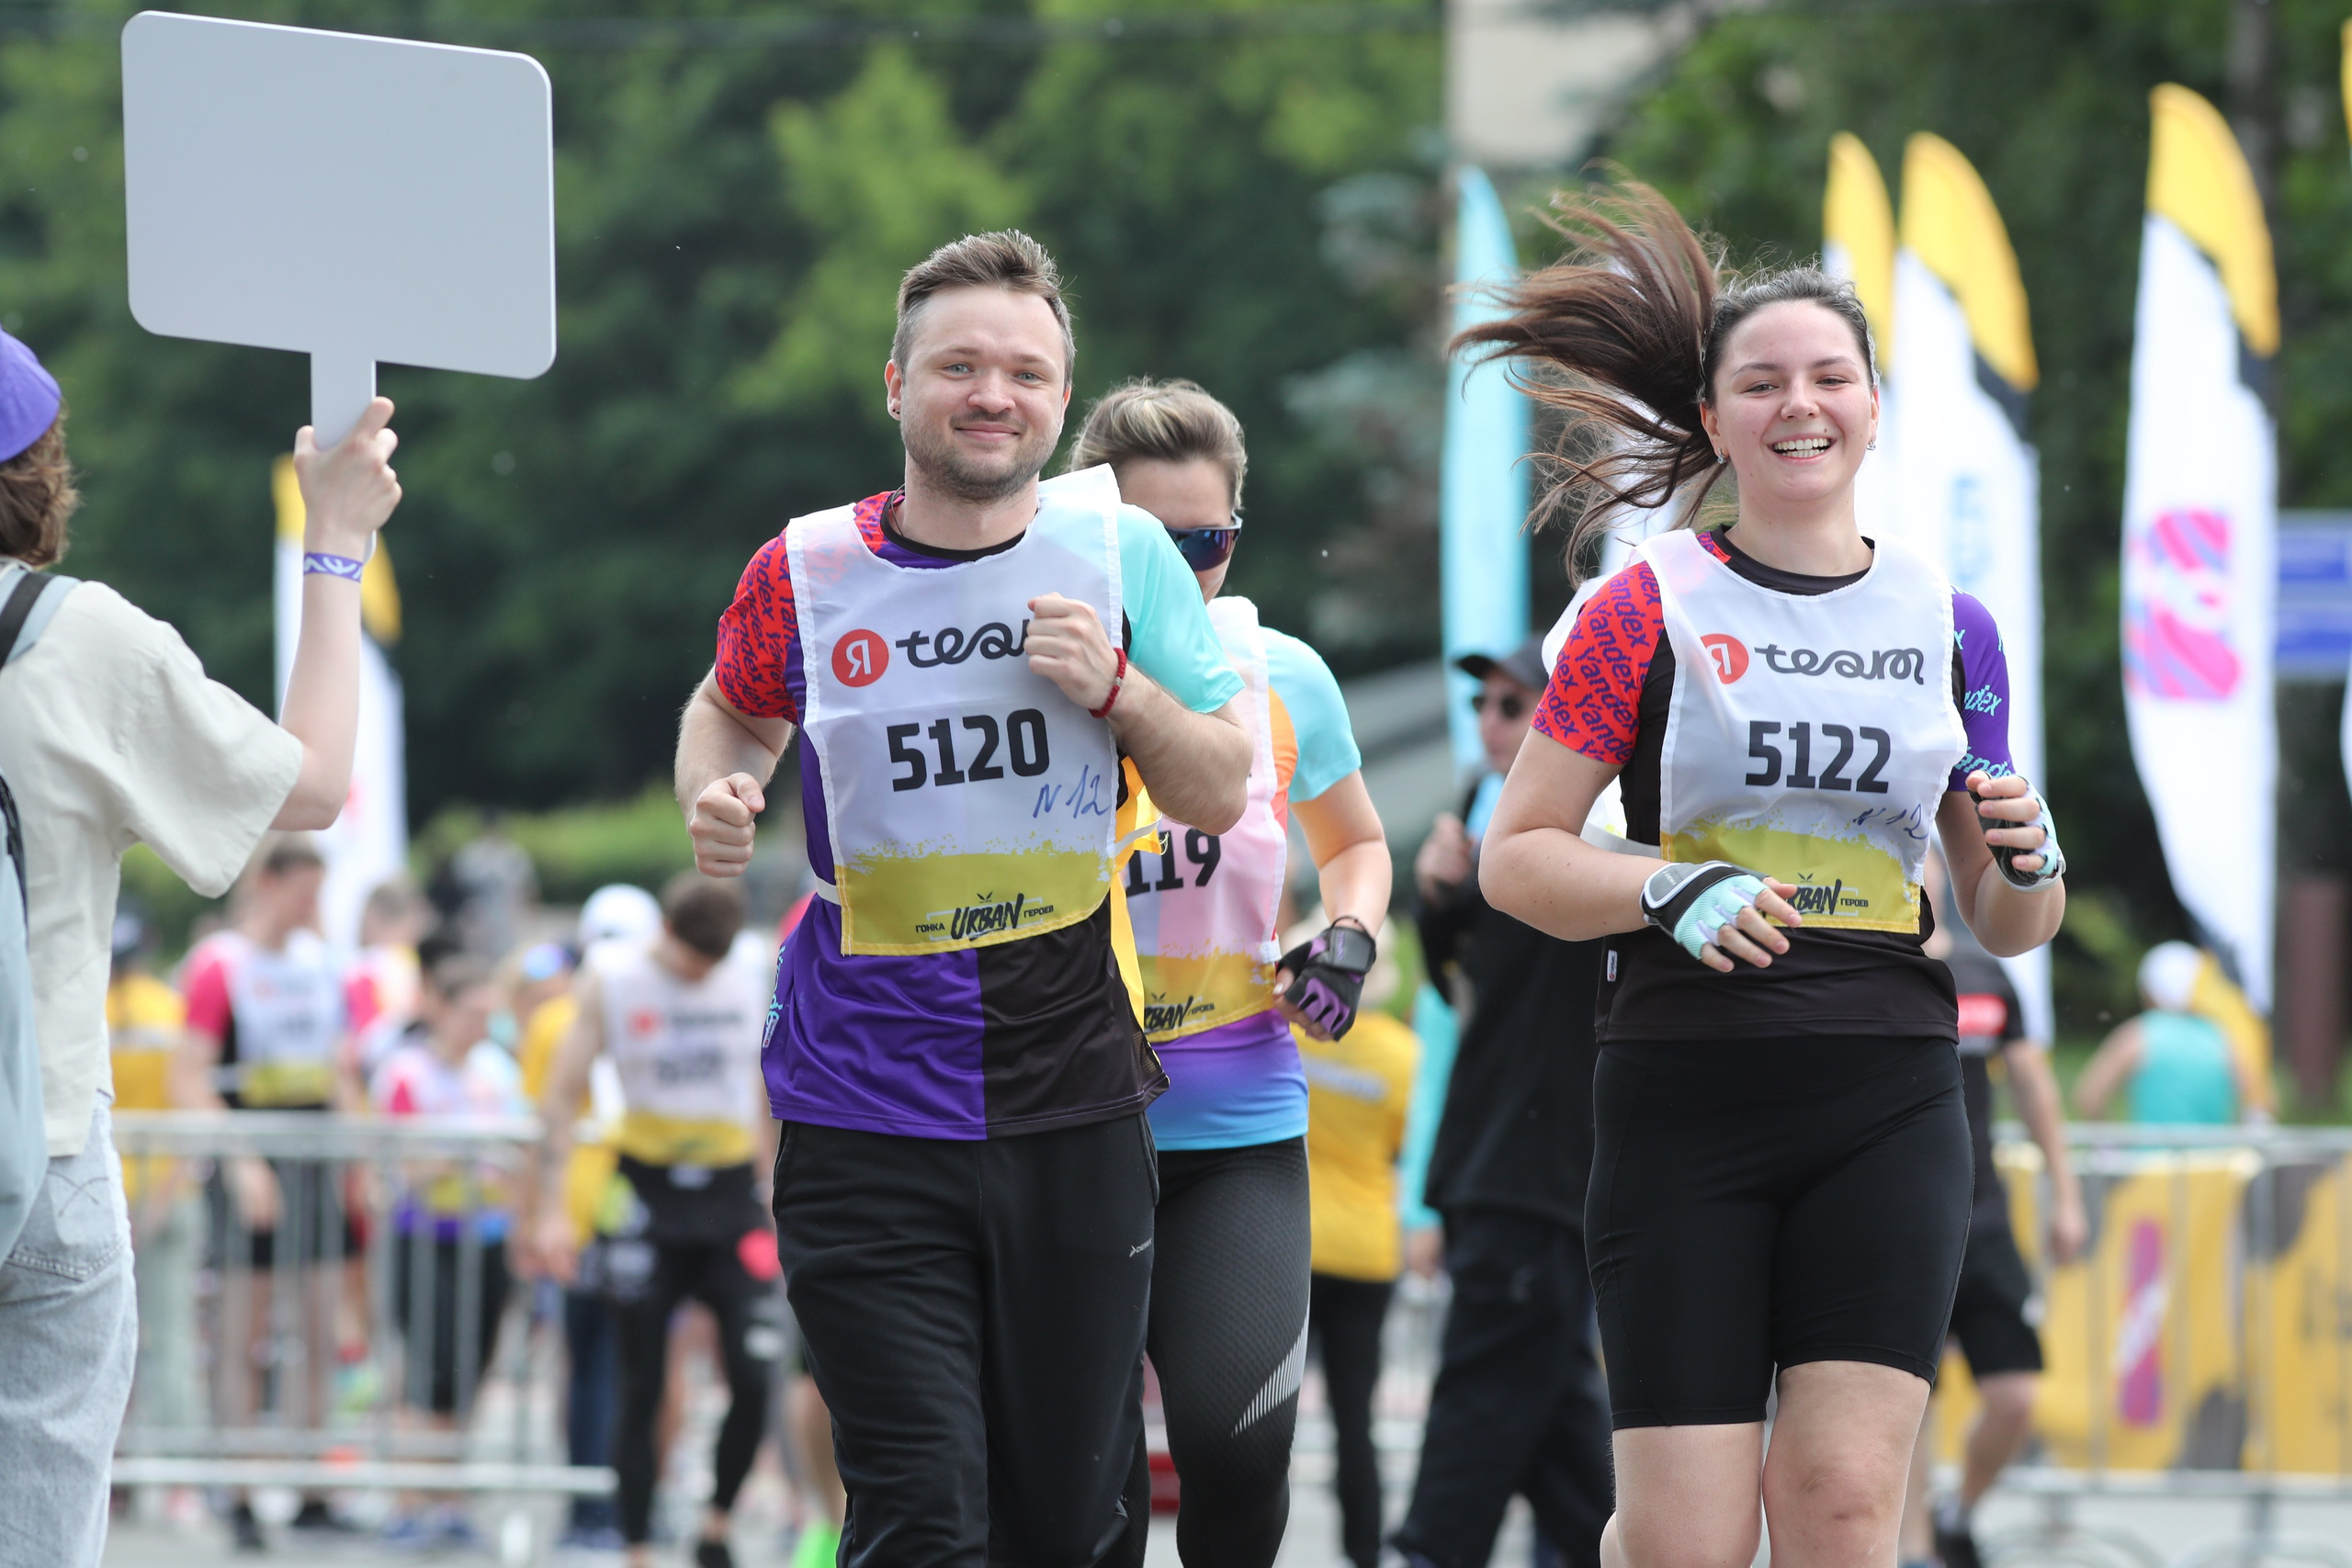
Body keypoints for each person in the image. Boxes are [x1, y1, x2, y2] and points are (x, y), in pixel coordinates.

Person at [1469, 185, 2067, 1568]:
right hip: (1686, 1093)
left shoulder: (1951, 622)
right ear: (1717, 418)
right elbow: (1517, 856)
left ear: (1873, 407)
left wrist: (2034, 858)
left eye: (1830, 377)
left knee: (1845, 1507)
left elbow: (2007, 918)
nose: (1800, 404)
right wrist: (1663, 888)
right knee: (1684, 1541)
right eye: (1762, 383)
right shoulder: (1644, 605)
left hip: (1888, 1093)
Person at [676, 230, 1252, 1567]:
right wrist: (719, 787)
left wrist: (1123, 692)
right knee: (922, 1510)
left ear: (1062, 398)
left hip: (1071, 1099)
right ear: (896, 385)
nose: (993, 394)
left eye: (1026, 372)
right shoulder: (804, 568)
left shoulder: (1121, 553)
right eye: (959, 366)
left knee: (1071, 1521)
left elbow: (1221, 788)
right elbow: (729, 707)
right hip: (861, 1104)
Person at [0, 319, 400, 1565]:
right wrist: (333, 543)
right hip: (34, 1149)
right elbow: (314, 784)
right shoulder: (77, 641)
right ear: (40, 465)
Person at [1065, 377, 1391, 1567]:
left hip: (1237, 1120)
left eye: (1205, 545)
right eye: (1148, 547)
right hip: (1066, 1122)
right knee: (1081, 1479)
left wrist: (1347, 935)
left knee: (1241, 1451)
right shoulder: (1031, 672)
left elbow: (1355, 846)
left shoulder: (1282, 673)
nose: (1182, 575)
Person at [1391, 633, 1614, 1568]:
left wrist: (1469, 885)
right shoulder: (1506, 844)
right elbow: (1470, 995)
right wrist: (1442, 903)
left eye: (1512, 705)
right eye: (1481, 704)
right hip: (1514, 1170)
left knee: (1486, 1402)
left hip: (1533, 1171)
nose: (1488, 722)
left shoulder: (1587, 848)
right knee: (1555, 1420)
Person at [532, 874, 780, 1568]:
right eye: (690, 965)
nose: (700, 979)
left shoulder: (751, 968)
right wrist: (551, 1208)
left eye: (711, 968)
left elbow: (771, 1086)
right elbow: (560, 1096)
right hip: (644, 1190)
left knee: (753, 1374)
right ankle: (637, 1546)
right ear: (665, 934)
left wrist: (776, 1190)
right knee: (639, 1382)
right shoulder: (613, 976)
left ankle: (716, 1525)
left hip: (731, 1193)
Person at [177, 833, 370, 1547]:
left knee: (320, 1324)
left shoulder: (324, 963)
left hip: (315, 1159)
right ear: (268, 884)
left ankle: (312, 1487)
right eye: (304, 892)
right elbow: (187, 1076)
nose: (312, 907)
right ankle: (238, 1489)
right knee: (242, 1331)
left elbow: (340, 1070)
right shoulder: (219, 964)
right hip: (251, 1163)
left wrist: (362, 1157)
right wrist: (241, 1157)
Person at [1897, 855, 2086, 1568]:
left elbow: (2035, 1086)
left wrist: (2067, 1195)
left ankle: (1957, 1513)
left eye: (1926, 858)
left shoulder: (1985, 972)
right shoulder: (1870, 970)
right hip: (1900, 1217)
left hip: (1984, 1216)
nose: (1920, 871)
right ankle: (1915, 1549)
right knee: (1906, 1400)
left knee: (2015, 1396)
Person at [515, 882, 662, 1551]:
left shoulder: (555, 1017)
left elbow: (540, 1120)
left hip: (594, 1206)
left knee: (592, 1365)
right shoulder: (642, 1003)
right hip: (628, 1204)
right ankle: (617, 1505)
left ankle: (598, 1508)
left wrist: (535, 1213)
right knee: (627, 1365)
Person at [369, 952, 529, 1551]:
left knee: (472, 1366)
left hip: (486, 1234)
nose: (479, 1025)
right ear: (439, 1007)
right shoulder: (405, 1071)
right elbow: (403, 1159)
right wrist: (466, 1157)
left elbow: (518, 1148)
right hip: (423, 1234)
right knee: (425, 1370)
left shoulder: (498, 1069)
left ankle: (451, 1496)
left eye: (488, 1014)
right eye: (470, 1013)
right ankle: (411, 1499)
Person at [1295, 921, 1418, 1568]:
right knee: (1354, 1422)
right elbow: (1406, 1148)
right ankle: (1364, 1555)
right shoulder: (1403, 1055)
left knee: (1260, 1417)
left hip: (1292, 1241)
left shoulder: (1292, 1032)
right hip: (1368, 1252)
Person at [109, 908, 205, 1506]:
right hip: (168, 1187)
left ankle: (109, 1476)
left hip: (99, 1192)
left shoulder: (84, 1005)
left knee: (96, 1340)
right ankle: (178, 1484)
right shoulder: (170, 1008)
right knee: (170, 1340)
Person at [2074, 942, 2248, 1125]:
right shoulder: (2222, 1037)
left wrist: (2109, 1140)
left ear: (2150, 990)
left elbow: (2089, 1098)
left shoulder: (2139, 1034)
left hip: (2152, 1145)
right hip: (2214, 1145)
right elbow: (2257, 1102)